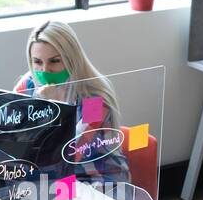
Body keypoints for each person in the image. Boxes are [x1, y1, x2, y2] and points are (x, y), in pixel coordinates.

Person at [13, 20, 131, 185]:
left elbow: (68, 155)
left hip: (96, 178)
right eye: (38, 62)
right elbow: (12, 137)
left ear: (71, 59)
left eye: (54, 61)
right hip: (46, 176)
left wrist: (53, 105)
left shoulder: (95, 100)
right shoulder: (27, 84)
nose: (45, 70)